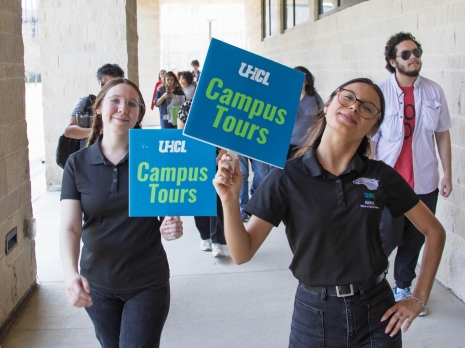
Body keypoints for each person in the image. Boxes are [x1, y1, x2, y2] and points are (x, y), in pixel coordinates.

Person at [214, 78, 445, 347]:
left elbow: (434, 231)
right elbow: (242, 253)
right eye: (348, 97)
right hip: (314, 315)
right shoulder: (287, 177)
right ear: (328, 105)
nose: (355, 106)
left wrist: (418, 298)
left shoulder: (380, 176)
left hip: (377, 312)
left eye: (368, 108)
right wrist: (229, 201)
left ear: (373, 129)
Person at [60, 78, 184, 347]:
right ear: (98, 108)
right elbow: (70, 228)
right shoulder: (77, 164)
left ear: (139, 113)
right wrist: (71, 274)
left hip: (147, 282)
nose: (123, 108)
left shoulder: (155, 158)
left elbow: (167, 211)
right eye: (115, 100)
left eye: (132, 104)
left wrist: (171, 223)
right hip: (97, 286)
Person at [370, 32, 452, 316]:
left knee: (416, 237)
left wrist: (447, 174)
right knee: (386, 235)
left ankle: (403, 286)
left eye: (417, 52)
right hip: (389, 182)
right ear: (393, 61)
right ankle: (370, 282)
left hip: (425, 181)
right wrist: (367, 177)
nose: (414, 57)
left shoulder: (433, 91)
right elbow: (371, 140)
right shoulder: (379, 92)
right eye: (406, 54)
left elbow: (442, 135)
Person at [177, 99, 227, 257]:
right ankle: (205, 236)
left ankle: (218, 240)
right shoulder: (188, 105)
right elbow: (181, 134)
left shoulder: (221, 105)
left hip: (216, 158)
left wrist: (220, 157)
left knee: (217, 200)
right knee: (198, 198)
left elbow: (229, 133)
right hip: (195, 158)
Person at [64, 63, 125, 148]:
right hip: (86, 155)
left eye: (112, 85)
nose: (108, 89)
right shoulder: (86, 102)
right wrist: (98, 132)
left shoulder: (124, 105)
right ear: (99, 82)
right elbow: (68, 131)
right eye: (105, 85)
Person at [288, 66, 324, 159]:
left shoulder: (314, 97)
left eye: (302, 79)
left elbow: (322, 116)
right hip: (289, 142)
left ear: (307, 81)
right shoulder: (288, 96)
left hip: (308, 143)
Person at [238, 156, 270, 222]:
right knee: (242, 174)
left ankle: (255, 200)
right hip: (240, 146)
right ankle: (244, 207)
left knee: (262, 173)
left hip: (260, 146)